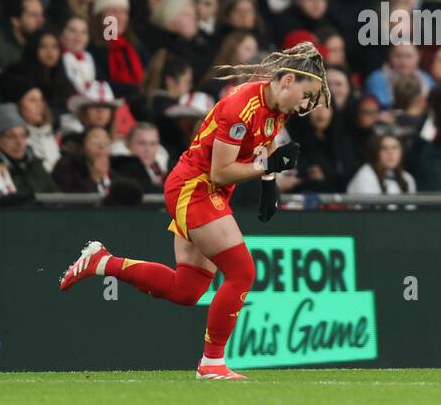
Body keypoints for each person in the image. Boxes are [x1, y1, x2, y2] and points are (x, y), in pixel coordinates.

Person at [57, 43, 329, 380]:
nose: (306, 105)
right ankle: (212, 363)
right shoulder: (240, 108)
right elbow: (220, 171)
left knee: (186, 290)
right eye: (306, 95)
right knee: (242, 272)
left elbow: (267, 143)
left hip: (209, 192)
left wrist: (269, 182)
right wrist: (266, 168)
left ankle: (102, 262)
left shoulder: (278, 107)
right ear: (288, 80)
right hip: (195, 188)